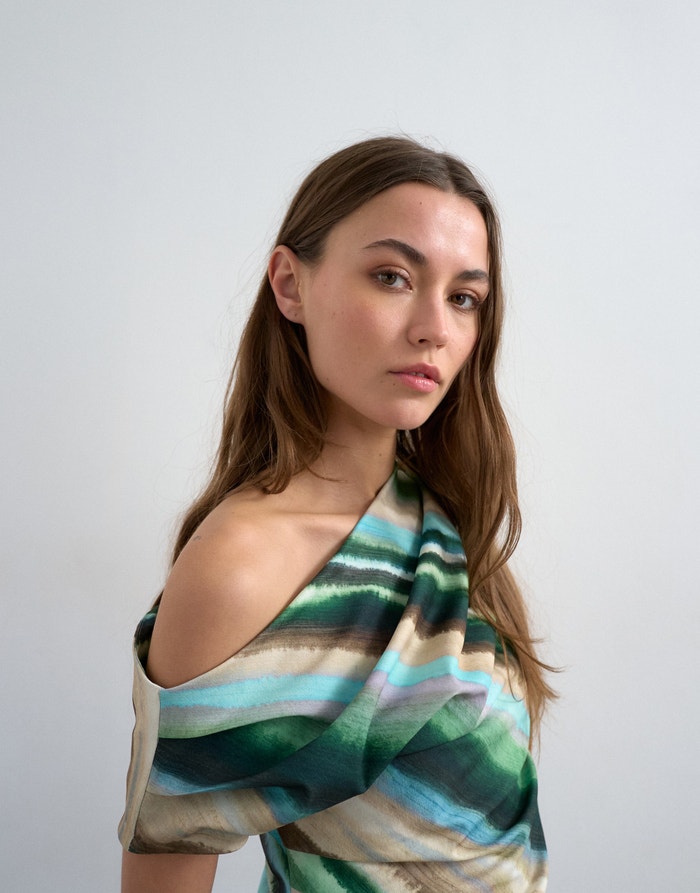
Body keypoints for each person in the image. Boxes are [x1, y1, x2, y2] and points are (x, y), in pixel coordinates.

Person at [119, 135, 554, 893]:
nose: (435, 327)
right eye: (392, 277)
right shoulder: (241, 568)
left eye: (464, 297)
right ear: (290, 285)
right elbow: (168, 867)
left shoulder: (440, 517)